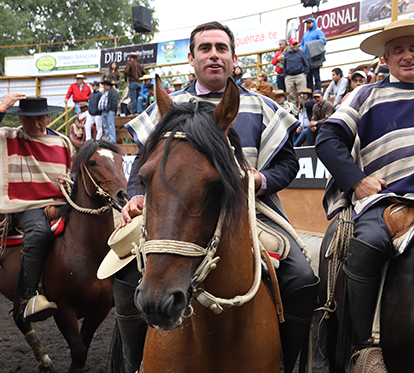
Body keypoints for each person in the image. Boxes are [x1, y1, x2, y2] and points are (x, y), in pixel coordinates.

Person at [111, 21, 318, 373]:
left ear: (234, 58)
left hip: (252, 210)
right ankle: (134, 364)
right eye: (205, 48)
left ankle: (284, 360)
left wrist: (262, 179)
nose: (214, 55)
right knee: (128, 275)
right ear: (191, 58)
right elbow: (144, 164)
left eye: (221, 48)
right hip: (173, 212)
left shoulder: (263, 106)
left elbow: (287, 162)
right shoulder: (169, 107)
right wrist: (135, 195)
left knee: (300, 278)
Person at [315, 19, 414, 370]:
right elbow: (328, 139)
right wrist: (357, 180)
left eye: (413, 48)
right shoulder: (364, 95)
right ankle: (362, 346)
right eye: (398, 50)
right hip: (384, 203)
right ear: (385, 58)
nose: (407, 56)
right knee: (369, 242)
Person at [0, 97, 72, 324]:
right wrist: (2, 106)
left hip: (61, 201)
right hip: (25, 203)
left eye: (40, 119)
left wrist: (68, 182)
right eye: (28, 119)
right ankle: (26, 298)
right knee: (40, 233)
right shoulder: (8, 136)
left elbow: (71, 174)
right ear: (20, 118)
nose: (34, 124)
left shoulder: (63, 142)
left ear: (48, 117)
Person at [300, 17, 327, 91]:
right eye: (307, 23)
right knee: (308, 76)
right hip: (306, 57)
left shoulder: (318, 32)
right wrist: (301, 48)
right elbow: (302, 44)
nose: (308, 24)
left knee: (316, 75)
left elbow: (324, 41)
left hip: (315, 57)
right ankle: (310, 92)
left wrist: (311, 45)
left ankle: (318, 91)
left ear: (313, 22)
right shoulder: (305, 34)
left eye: (309, 23)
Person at [284, 38, 309, 105]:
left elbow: (306, 64)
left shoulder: (301, 52)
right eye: (293, 44)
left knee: (302, 94)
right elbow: (284, 65)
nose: (295, 45)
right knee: (290, 95)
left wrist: (305, 74)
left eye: (296, 44)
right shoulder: (286, 54)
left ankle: (303, 111)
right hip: (289, 76)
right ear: (289, 45)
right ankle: (292, 111)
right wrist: (285, 76)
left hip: (300, 75)